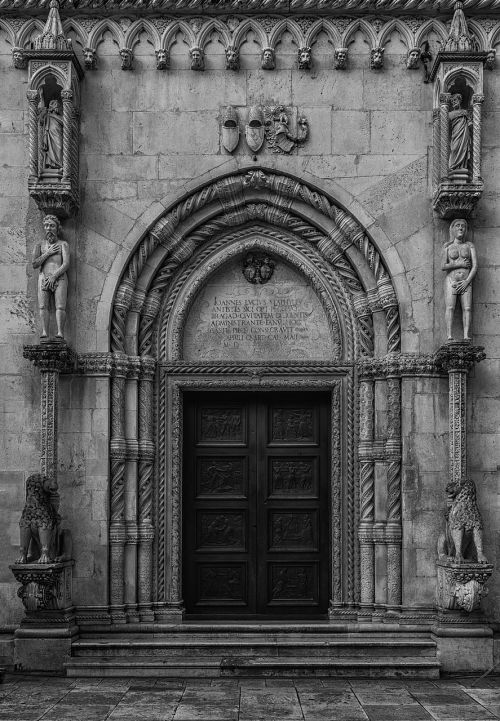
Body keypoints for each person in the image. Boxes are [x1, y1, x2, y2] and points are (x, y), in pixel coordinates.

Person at [32, 215, 70, 340]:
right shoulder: (40, 245)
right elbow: (35, 263)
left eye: (52, 226)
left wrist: (54, 276)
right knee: (43, 306)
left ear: (57, 228)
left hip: (59, 277)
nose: (49, 228)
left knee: (60, 306)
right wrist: (48, 253)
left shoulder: (63, 244)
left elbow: (66, 264)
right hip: (43, 277)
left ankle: (60, 332)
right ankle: (44, 331)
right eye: (47, 226)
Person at [442, 218, 477, 341]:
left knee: (467, 308)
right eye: (457, 225)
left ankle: (466, 335)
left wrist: (467, 281)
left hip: (466, 282)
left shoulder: (469, 246)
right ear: (452, 229)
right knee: (450, 307)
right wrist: (459, 264)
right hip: (451, 280)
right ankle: (449, 335)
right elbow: (443, 266)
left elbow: (475, 266)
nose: (461, 228)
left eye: (463, 226)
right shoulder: (448, 246)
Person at [39, 94, 63, 175]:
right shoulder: (48, 116)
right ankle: (51, 164)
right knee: (50, 148)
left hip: (58, 134)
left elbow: (65, 124)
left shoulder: (61, 117)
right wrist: (42, 113)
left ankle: (58, 164)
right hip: (50, 134)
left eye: (58, 107)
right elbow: (41, 122)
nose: (58, 108)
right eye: (56, 107)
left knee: (59, 147)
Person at [448, 94, 471, 175]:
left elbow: (470, 124)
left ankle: (462, 166)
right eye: (452, 101)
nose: (454, 102)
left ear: (459, 101)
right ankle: (453, 166)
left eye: (455, 100)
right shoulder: (450, 114)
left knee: (463, 148)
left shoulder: (465, 112)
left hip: (464, 133)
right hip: (455, 134)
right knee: (454, 149)